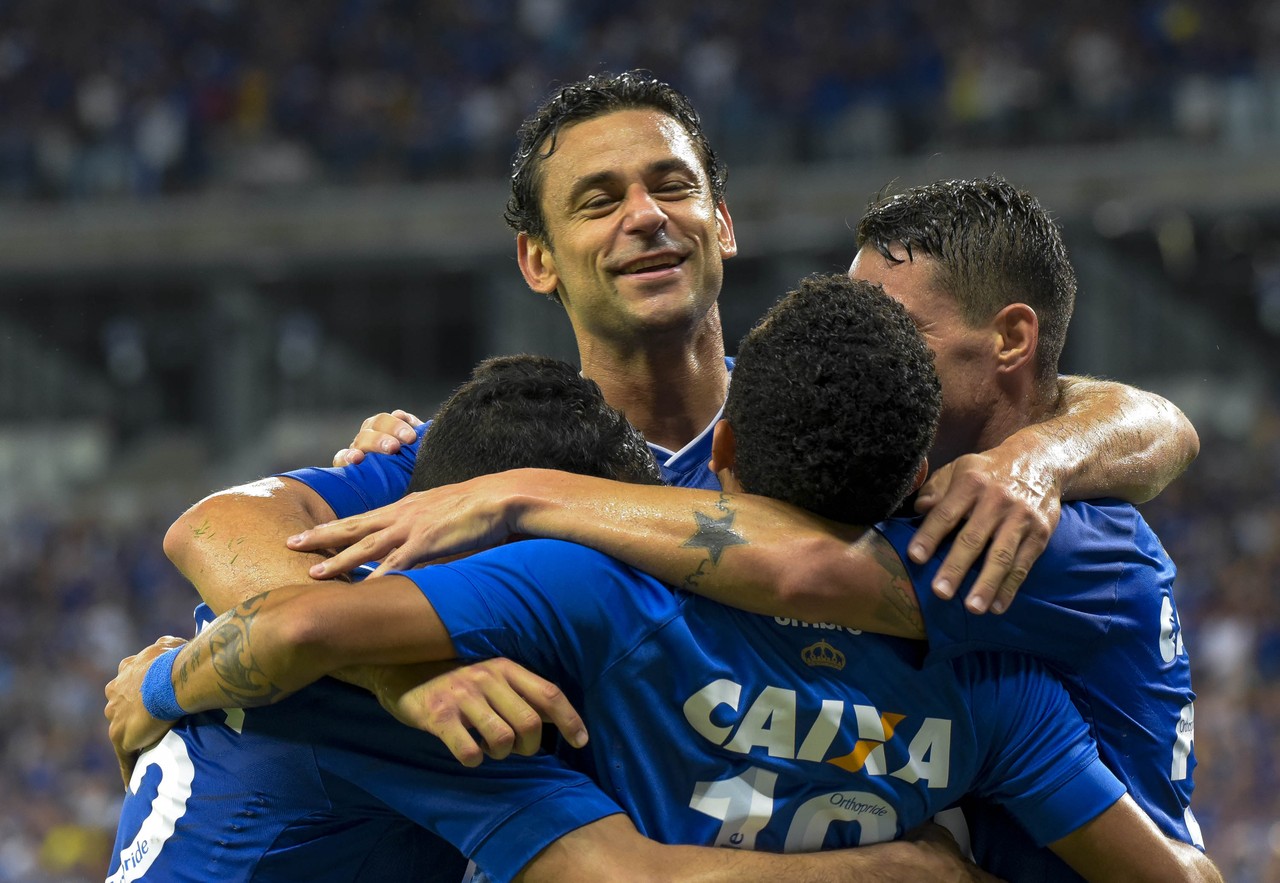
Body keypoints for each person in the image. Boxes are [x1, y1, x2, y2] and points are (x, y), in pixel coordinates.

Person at [110, 275, 1218, 883]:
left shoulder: (578, 598)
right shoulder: (998, 675)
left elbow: (291, 624)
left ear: (721, 460)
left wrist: (165, 684)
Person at [111, 352, 995, 882]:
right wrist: (899, 867)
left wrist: (160, 681)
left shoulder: (322, 603)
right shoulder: (463, 709)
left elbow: (280, 628)